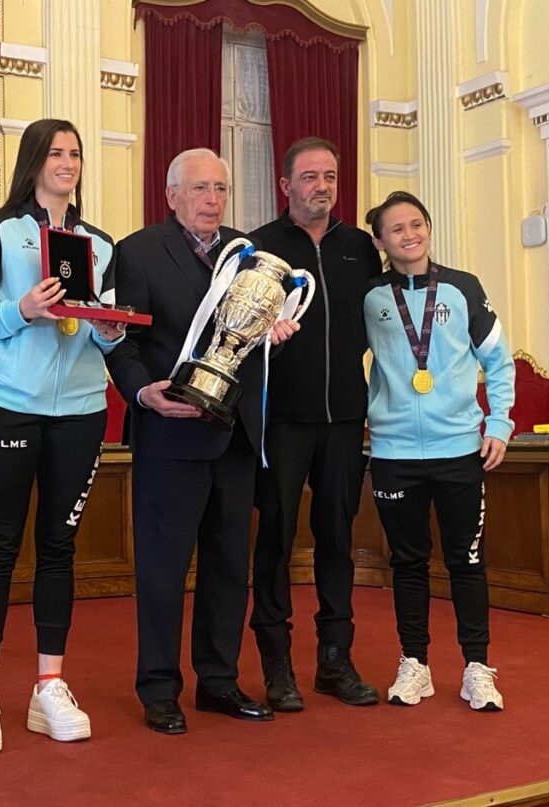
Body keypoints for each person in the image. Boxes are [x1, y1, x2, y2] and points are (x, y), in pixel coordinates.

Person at [106, 148, 298, 735]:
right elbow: (120, 341)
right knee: (163, 571)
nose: (212, 200)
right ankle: (159, 688)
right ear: (171, 196)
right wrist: (142, 394)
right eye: (199, 189)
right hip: (169, 432)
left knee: (228, 568)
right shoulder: (137, 252)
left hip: (235, 437)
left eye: (220, 189)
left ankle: (218, 681)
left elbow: (248, 339)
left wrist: (274, 333)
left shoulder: (250, 256)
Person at [0, 119, 126, 755]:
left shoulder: (100, 245)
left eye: (75, 153)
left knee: (59, 547)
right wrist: (21, 310)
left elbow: (104, 327)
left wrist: (109, 332)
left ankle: (48, 686)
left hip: (81, 412)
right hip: (6, 406)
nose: (68, 162)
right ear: (33, 162)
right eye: (56, 152)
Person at [363, 191, 514, 711]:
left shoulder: (462, 287)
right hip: (393, 453)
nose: (410, 235)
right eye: (397, 229)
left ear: (428, 228)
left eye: (417, 224)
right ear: (380, 242)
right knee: (407, 563)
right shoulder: (370, 296)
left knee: (466, 561)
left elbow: (498, 361)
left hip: (459, 450)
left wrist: (499, 423)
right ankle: (415, 664)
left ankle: (477, 667)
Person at [248, 137, 382, 711]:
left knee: (337, 540)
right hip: (281, 420)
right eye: (309, 177)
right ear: (286, 186)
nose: (321, 186)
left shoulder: (360, 248)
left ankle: (335, 661)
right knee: (275, 541)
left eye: (329, 175)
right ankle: (277, 666)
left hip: (345, 418)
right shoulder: (260, 247)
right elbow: (242, 333)